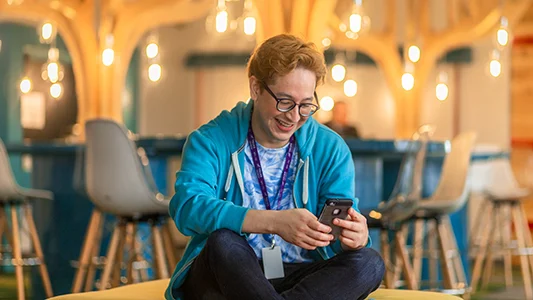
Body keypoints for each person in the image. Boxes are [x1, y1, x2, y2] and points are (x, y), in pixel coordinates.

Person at [165, 34, 384, 300]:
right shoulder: (210, 140)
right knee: (222, 241)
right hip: (228, 272)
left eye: (306, 105)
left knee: (369, 262)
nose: (294, 116)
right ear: (255, 88)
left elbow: (336, 234)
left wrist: (354, 238)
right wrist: (274, 223)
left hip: (298, 274)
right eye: (285, 101)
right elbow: (188, 208)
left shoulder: (331, 148)